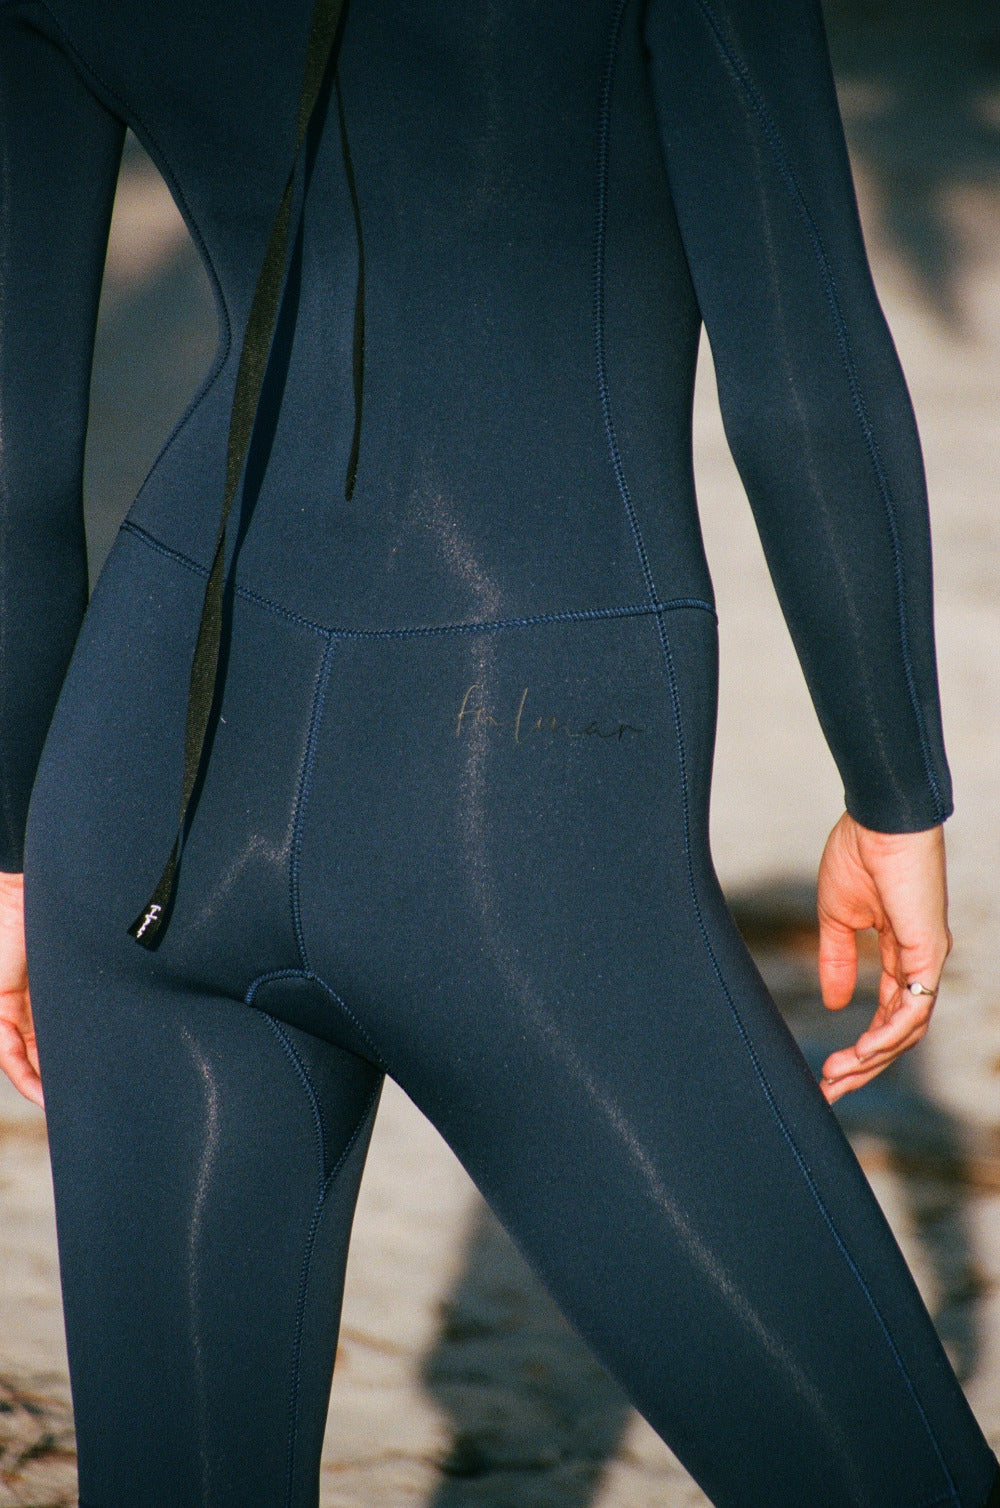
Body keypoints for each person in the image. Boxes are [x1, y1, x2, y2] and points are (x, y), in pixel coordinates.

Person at [0, 0, 996, 1503]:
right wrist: (893, 791)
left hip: (144, 793)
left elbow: (12, 457)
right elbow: (805, 373)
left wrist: (15, 845)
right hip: (518, 809)